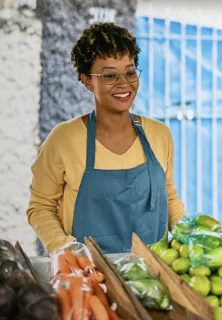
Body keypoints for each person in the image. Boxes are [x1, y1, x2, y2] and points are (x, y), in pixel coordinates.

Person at [27, 22, 186, 254]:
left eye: (130, 72)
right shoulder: (63, 140)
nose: (124, 83)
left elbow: (169, 196)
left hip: (153, 276)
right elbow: (40, 207)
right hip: (90, 277)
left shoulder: (159, 135)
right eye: (109, 75)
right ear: (87, 80)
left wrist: (188, 233)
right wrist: (64, 247)